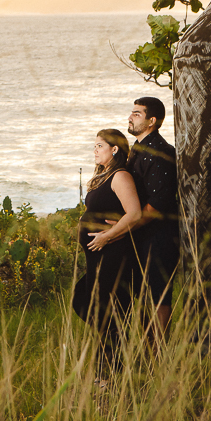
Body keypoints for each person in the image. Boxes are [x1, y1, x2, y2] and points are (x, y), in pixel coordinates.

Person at [72, 128, 142, 378]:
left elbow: (134, 213)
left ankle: (109, 375)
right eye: (94, 146)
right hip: (96, 256)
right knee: (84, 301)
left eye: (100, 146)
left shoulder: (120, 176)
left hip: (111, 254)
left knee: (108, 311)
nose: (95, 150)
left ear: (114, 149)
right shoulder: (103, 176)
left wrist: (107, 236)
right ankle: (113, 363)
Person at [126, 96, 179, 345]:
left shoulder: (160, 152)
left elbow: (157, 203)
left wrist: (124, 227)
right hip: (139, 234)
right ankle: (147, 350)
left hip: (159, 236)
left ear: (152, 121)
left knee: (159, 295)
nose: (130, 117)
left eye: (137, 114)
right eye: (132, 112)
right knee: (139, 293)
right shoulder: (137, 149)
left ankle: (158, 353)